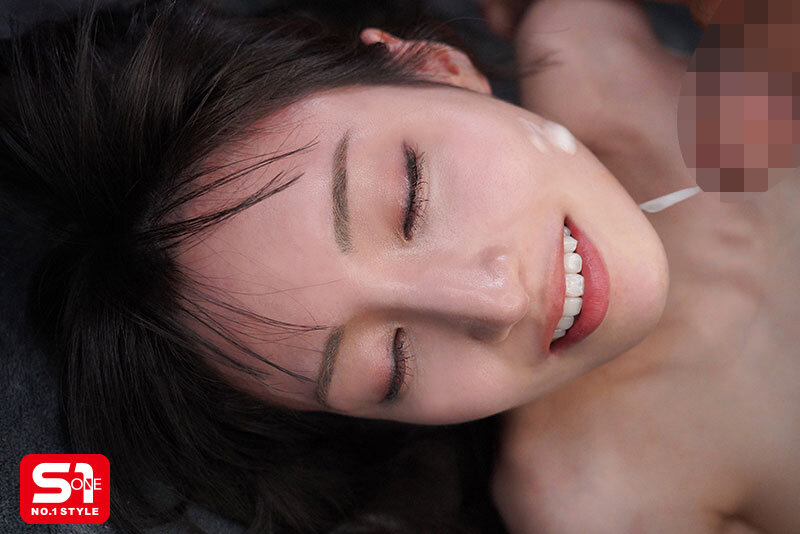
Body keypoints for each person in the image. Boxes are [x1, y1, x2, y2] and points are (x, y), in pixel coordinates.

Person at [1, 1, 797, 533]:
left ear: (437, 66)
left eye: (413, 200)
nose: (495, 301)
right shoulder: (601, 500)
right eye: (393, 364)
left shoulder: (590, 44)